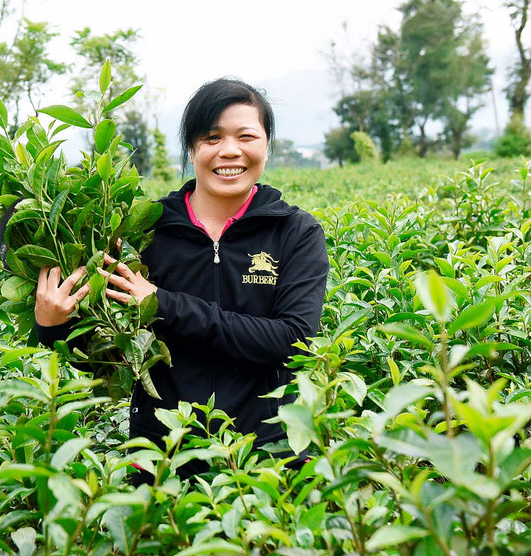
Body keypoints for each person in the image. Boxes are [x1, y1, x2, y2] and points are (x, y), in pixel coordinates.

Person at [34, 78, 329, 476]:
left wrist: (163, 304)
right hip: (161, 455)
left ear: (266, 144)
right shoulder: (145, 230)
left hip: (267, 454)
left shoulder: (295, 232)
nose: (229, 151)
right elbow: (109, 361)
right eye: (212, 137)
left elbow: (293, 342)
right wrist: (52, 327)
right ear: (192, 148)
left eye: (246, 136)